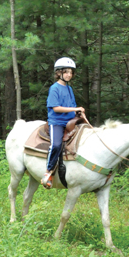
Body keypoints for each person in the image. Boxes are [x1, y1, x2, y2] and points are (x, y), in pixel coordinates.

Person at [41, 57, 85, 189]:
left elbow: (72, 105)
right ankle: (48, 172)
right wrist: (75, 109)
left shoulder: (69, 89)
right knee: (56, 145)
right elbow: (56, 108)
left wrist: (77, 113)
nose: (69, 75)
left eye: (71, 72)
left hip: (71, 121)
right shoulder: (54, 88)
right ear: (58, 73)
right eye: (66, 72)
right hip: (57, 122)